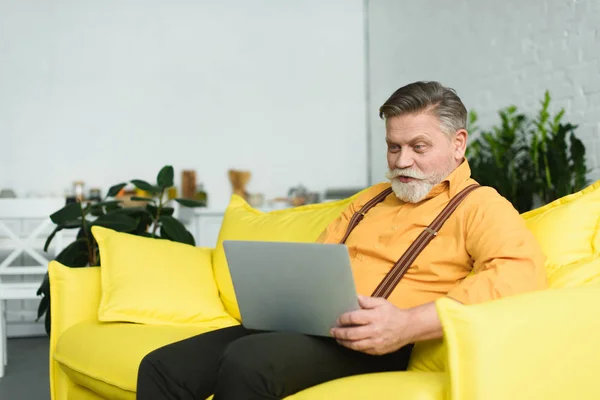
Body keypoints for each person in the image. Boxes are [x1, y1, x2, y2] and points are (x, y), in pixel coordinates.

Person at [136, 81, 547, 400]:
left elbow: (519, 272)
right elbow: (317, 262)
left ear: (458, 144)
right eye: (394, 147)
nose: (403, 161)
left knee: (249, 362)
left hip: (379, 341)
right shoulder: (369, 200)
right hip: (312, 324)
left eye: (419, 147)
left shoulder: (479, 205)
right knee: (160, 366)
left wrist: (407, 323)